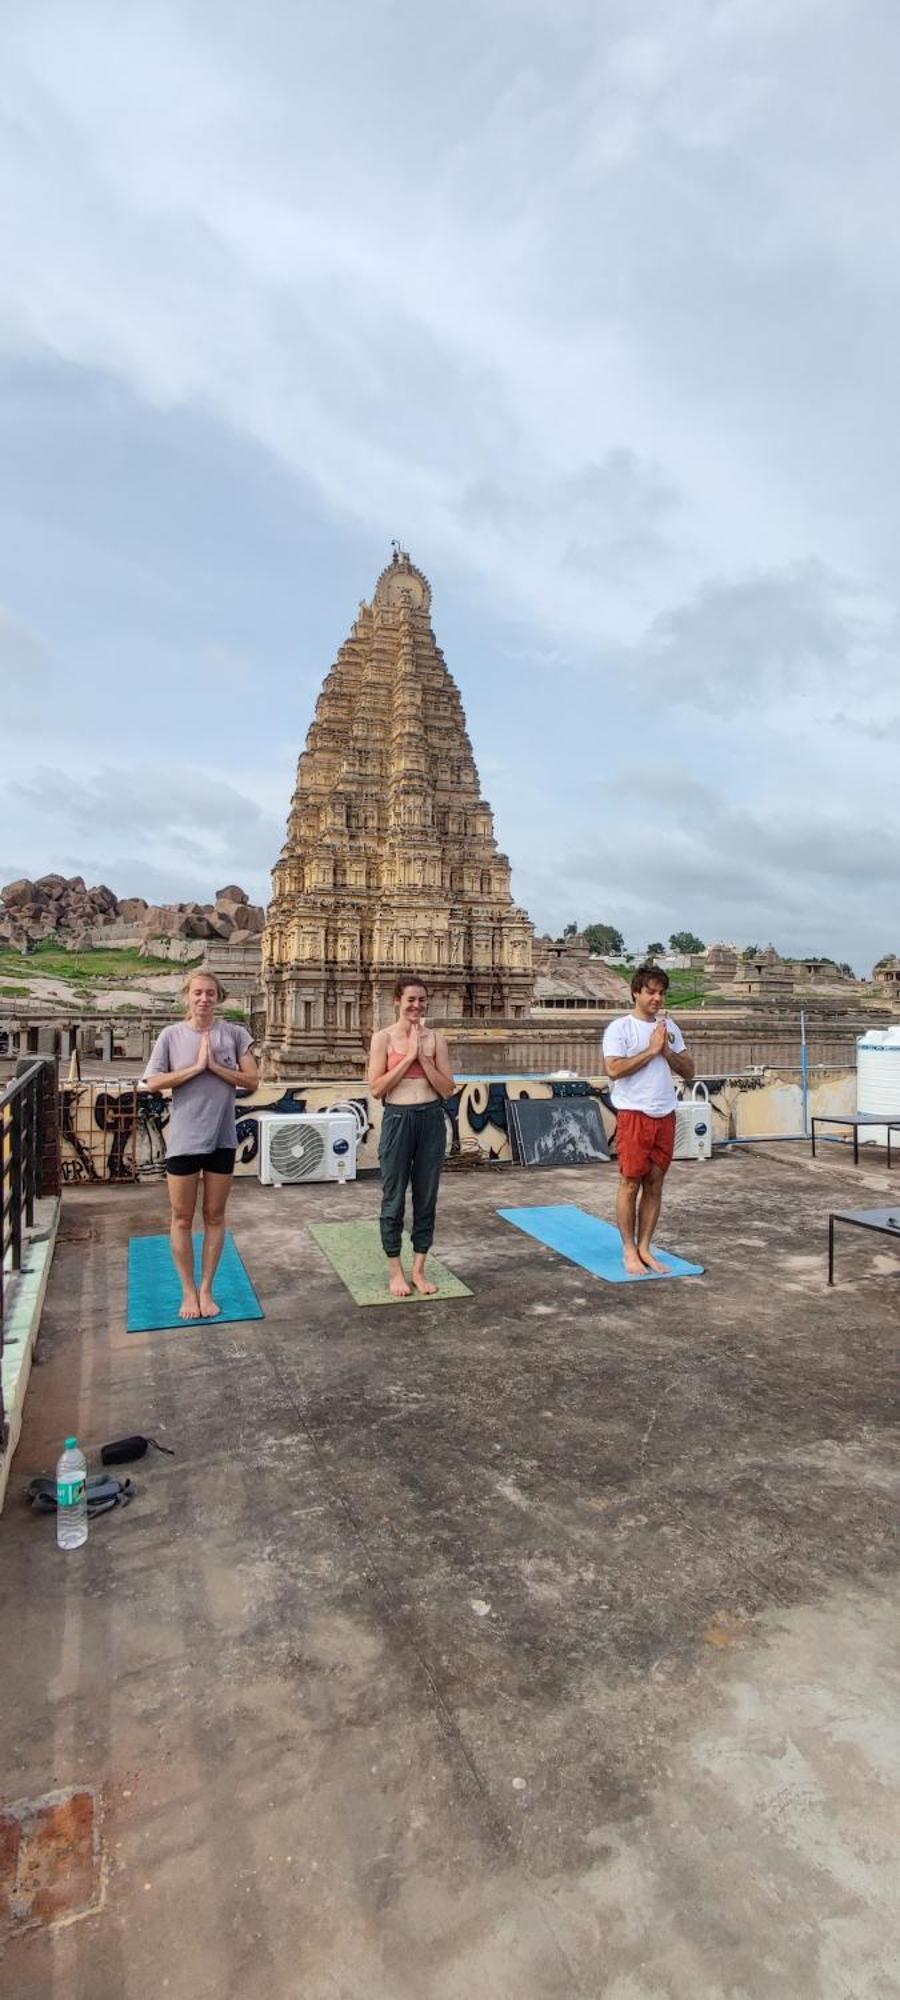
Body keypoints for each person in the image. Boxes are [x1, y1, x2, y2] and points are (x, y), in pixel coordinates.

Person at [140, 970, 258, 1319]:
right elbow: (153, 1081)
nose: (204, 998)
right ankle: (188, 1292)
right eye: (197, 993)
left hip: (222, 1139)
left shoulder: (235, 1034)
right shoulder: (171, 1035)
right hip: (185, 1140)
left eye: (210, 993)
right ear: (187, 997)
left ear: (219, 997)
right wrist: (195, 1068)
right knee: (181, 1217)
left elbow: (252, 1079)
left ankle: (207, 1289)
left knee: (215, 1216)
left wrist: (217, 1068)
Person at [602, 964, 695, 1276]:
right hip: (633, 1114)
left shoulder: (669, 1028)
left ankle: (645, 1247)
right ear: (636, 992)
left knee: (655, 1184)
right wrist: (651, 1050)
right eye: (651, 992)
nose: (657, 998)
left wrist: (666, 1051)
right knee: (630, 1183)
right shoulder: (620, 1028)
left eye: (662, 993)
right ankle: (629, 1249)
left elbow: (689, 1070)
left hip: (664, 1113)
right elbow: (613, 1069)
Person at [367, 976, 456, 1298]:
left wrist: (423, 1058)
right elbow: (377, 1089)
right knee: (393, 1199)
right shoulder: (383, 1039)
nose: (417, 1006)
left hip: (431, 1118)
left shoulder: (437, 1041)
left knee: (426, 1197)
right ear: (397, 1002)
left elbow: (447, 1088)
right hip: (398, 1119)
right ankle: (396, 1271)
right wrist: (407, 1058)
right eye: (411, 1000)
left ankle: (419, 1269)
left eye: (422, 1000)